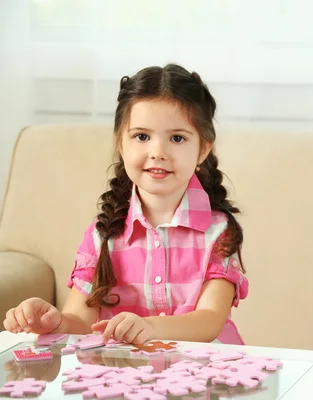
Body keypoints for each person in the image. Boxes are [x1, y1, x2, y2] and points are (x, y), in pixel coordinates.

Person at [2, 64, 248, 345]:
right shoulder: (103, 234)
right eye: (142, 136)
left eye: (177, 138)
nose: (158, 152)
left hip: (205, 375)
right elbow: (81, 321)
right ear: (120, 142)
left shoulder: (219, 231)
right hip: (127, 377)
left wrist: (151, 328)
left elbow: (209, 320)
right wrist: (53, 321)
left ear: (203, 148)